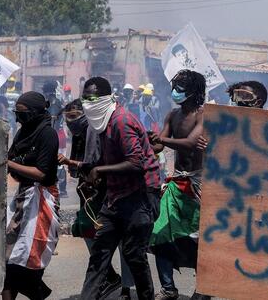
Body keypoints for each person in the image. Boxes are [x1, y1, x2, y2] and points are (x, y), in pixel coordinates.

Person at [79, 77, 163, 300]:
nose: (88, 102)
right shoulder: (101, 121)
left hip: (141, 194)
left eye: (93, 97)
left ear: (107, 98)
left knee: (134, 254)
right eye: (85, 97)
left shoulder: (121, 121)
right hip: (117, 194)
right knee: (100, 252)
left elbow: (136, 164)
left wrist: (101, 171)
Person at [57, 99, 133, 300]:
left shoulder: (98, 130)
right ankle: (109, 276)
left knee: (122, 240)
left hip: (112, 191)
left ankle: (125, 287)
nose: (71, 121)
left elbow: (100, 163)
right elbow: (81, 169)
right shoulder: (80, 134)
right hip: (89, 193)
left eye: (74, 117)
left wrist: (76, 166)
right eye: (68, 118)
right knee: (89, 232)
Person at [149, 70, 211, 300]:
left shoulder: (203, 116)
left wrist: (159, 140)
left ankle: (204, 288)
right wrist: (147, 139)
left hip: (199, 182)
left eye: (180, 87)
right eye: (174, 86)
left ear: (194, 91)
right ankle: (168, 287)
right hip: (176, 182)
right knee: (160, 231)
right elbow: (157, 147)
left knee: (198, 238)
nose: (175, 91)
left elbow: (191, 143)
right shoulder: (172, 115)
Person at [4, 92, 60, 300]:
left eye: (23, 114)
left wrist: (9, 164)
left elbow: (41, 173)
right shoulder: (22, 133)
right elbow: (10, 158)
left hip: (42, 199)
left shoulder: (47, 134)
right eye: (16, 114)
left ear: (35, 113)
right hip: (23, 197)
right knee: (8, 263)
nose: (19, 119)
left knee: (28, 265)